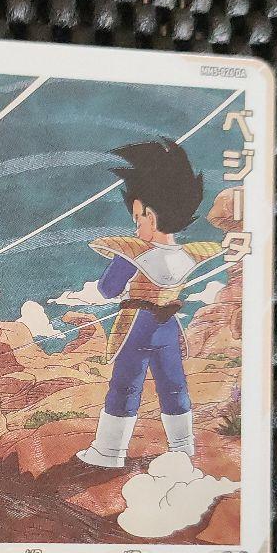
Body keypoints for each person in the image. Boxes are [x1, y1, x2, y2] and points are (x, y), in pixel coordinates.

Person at [77, 139, 221, 468]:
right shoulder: (189, 254)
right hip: (169, 327)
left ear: (151, 218)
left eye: (137, 218)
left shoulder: (134, 252)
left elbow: (108, 289)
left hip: (137, 326)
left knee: (125, 385)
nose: (136, 226)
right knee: (173, 385)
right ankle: (182, 448)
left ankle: (109, 452)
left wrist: (121, 270)